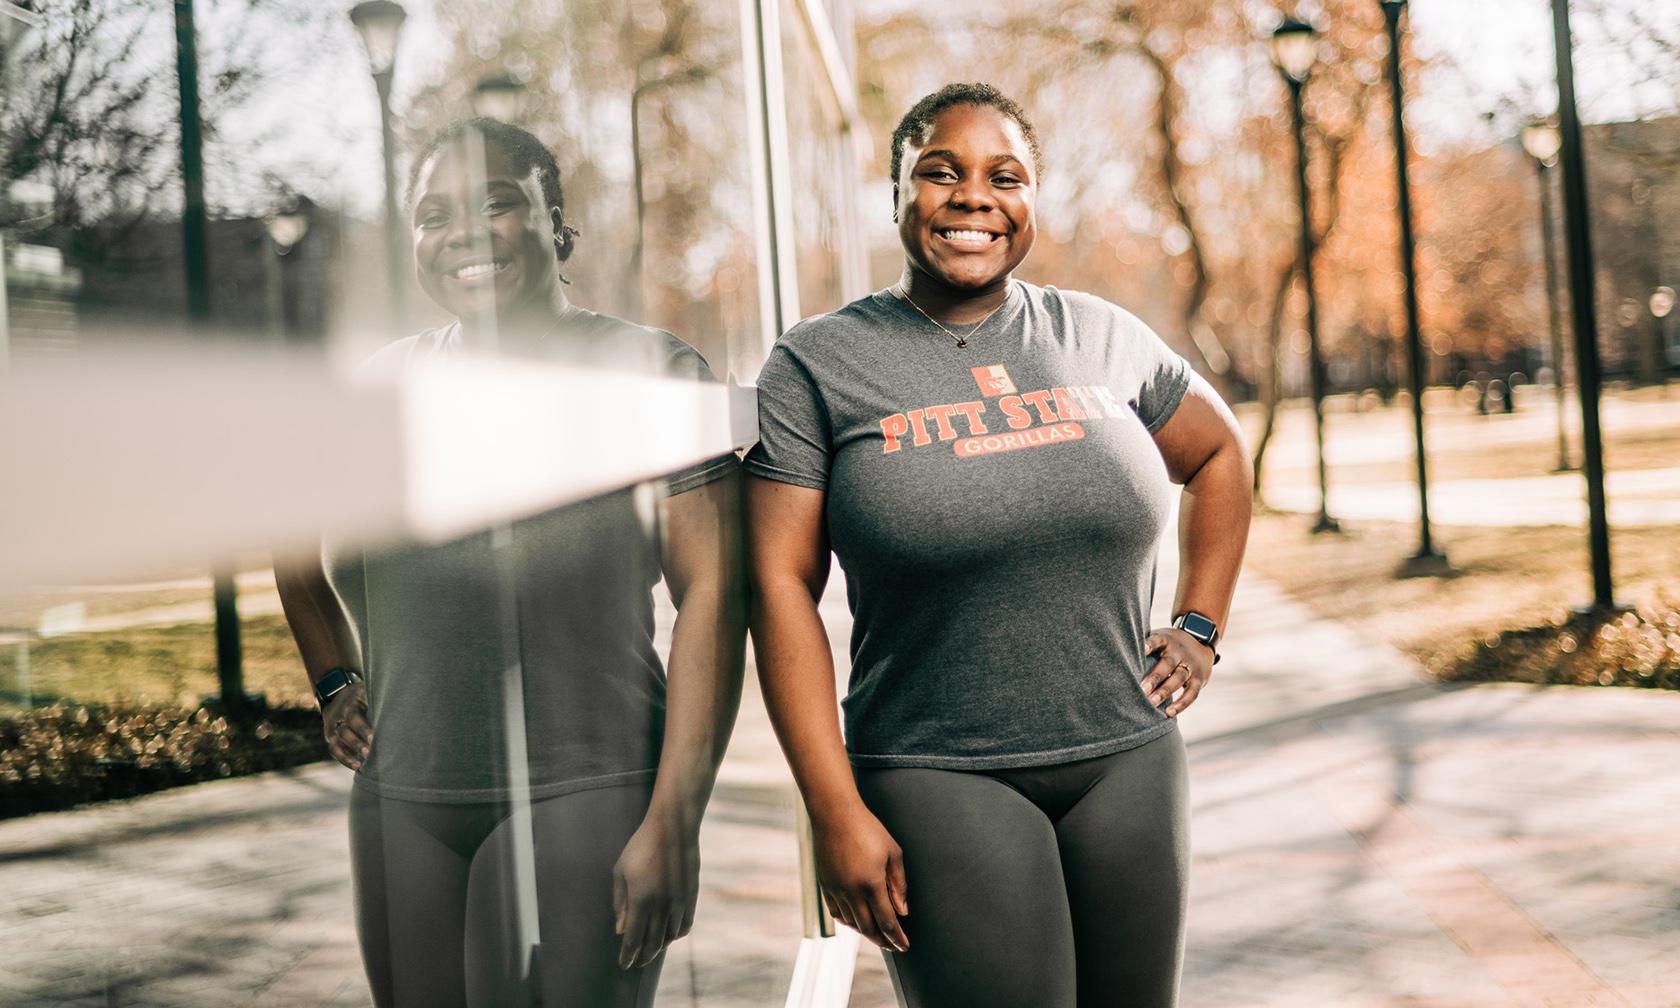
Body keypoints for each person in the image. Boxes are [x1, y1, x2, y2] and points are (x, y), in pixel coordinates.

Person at [744, 83, 1252, 1008]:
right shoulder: (819, 363)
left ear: (1031, 200)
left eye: (1003, 176)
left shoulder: (1100, 335)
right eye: (940, 172)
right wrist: (832, 809)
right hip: (937, 770)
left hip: (1128, 758)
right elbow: (779, 585)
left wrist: (1200, 623)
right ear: (896, 190)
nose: (973, 196)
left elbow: (1218, 452)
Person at [274, 118, 745, 1008]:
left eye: (496, 203)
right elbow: (292, 548)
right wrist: (334, 682)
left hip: (590, 786)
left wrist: (676, 817)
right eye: (433, 213)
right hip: (405, 801)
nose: (462, 234)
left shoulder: (653, 369)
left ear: (555, 222)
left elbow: (715, 594)